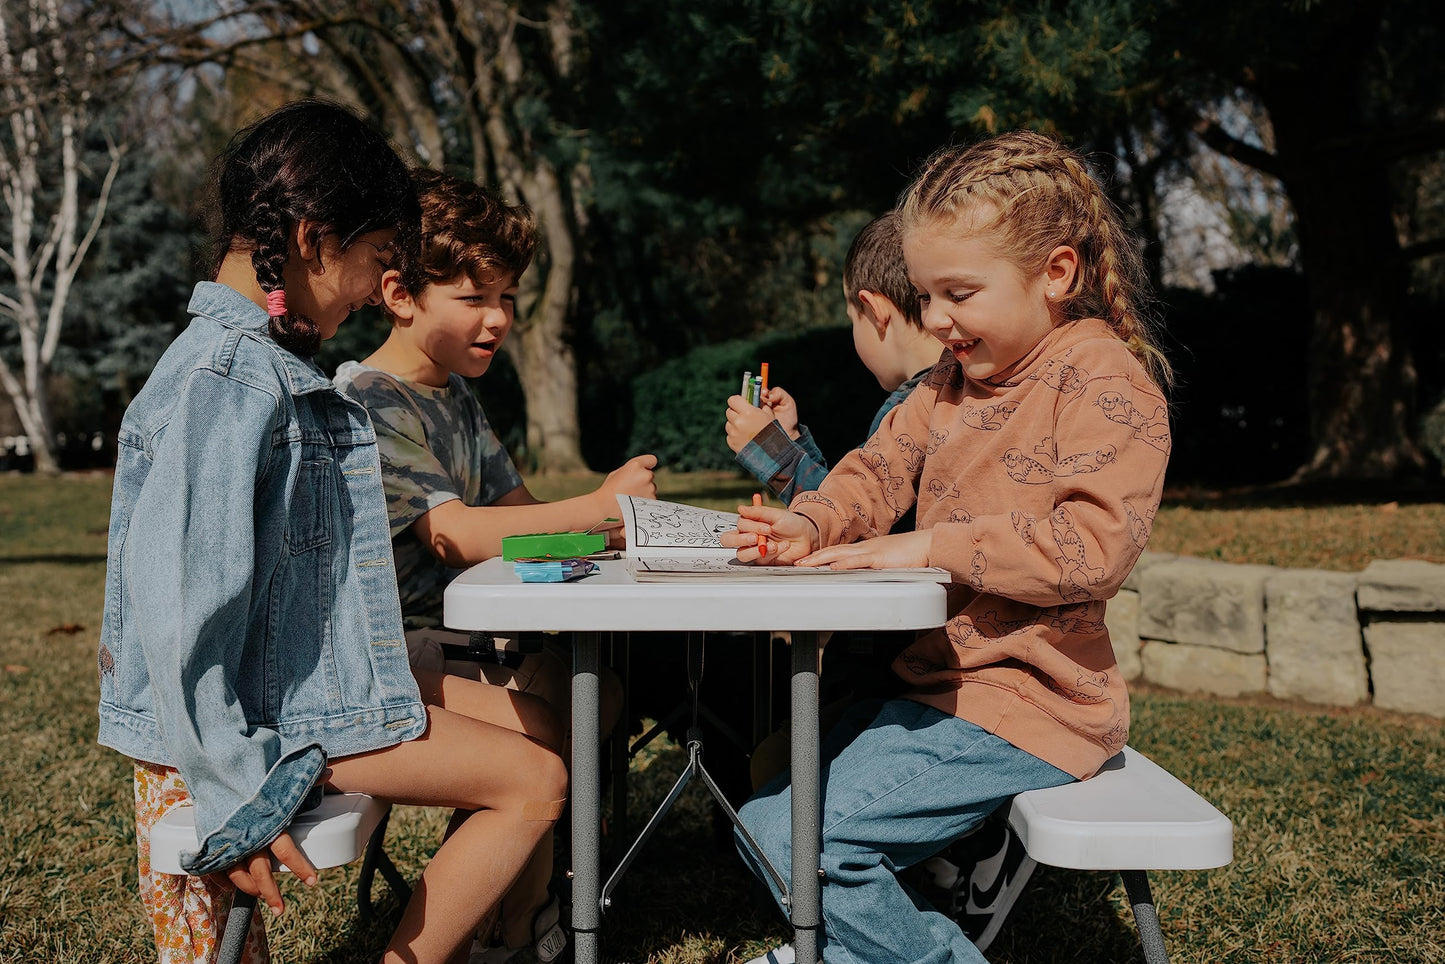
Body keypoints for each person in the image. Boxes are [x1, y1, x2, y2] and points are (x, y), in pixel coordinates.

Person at [98, 101, 568, 964]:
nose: (371, 290)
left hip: (313, 686)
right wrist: (242, 791)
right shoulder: (227, 383)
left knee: (543, 728)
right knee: (534, 780)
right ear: (315, 240)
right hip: (277, 716)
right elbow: (176, 618)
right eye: (377, 261)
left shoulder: (257, 369)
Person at [722, 130, 1174, 964]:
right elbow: (872, 472)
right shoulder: (947, 385)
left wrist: (928, 545)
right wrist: (810, 522)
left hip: (1030, 703)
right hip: (940, 691)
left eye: (958, 293)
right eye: (926, 296)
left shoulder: (1102, 379)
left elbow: (1091, 547)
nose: (934, 320)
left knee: (794, 840)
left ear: (1057, 274)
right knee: (771, 820)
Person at [333, 168, 653, 963]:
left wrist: (614, 537)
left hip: (457, 644)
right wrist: (594, 510)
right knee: (552, 739)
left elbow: (517, 520)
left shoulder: (452, 394)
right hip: (390, 653)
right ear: (401, 293)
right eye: (475, 298)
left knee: (597, 695)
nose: (498, 319)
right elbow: (457, 537)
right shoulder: (372, 399)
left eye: (507, 298)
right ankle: (506, 923)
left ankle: (518, 901)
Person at [724, 211, 942, 505]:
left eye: (852, 317)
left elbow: (849, 518)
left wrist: (770, 450)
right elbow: (853, 500)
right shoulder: (960, 391)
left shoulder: (907, 413)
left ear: (874, 311)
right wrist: (791, 441)